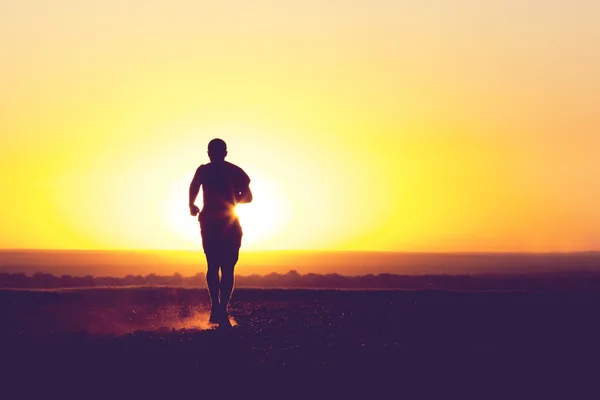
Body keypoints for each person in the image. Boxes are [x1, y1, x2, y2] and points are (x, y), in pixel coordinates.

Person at [189, 139, 252, 327]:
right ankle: (219, 308)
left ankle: (218, 308)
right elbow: (248, 197)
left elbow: (248, 197)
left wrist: (192, 205)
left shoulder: (210, 171)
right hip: (221, 223)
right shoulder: (229, 171)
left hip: (217, 223)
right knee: (223, 267)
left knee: (216, 266)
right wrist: (192, 204)